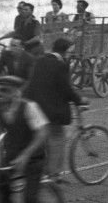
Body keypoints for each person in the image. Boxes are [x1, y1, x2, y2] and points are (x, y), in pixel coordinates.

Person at [22, 36, 86, 180]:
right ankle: (53, 174)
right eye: (70, 52)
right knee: (57, 138)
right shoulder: (61, 65)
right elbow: (67, 89)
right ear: (64, 51)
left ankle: (41, 169)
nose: (70, 55)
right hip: (49, 109)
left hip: (33, 107)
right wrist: (80, 99)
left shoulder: (40, 60)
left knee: (42, 138)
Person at [0, 1, 44, 81]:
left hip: (33, 48)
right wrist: (0, 38)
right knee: (6, 54)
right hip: (22, 47)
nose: (23, 11)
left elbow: (37, 37)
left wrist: (26, 43)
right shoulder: (21, 22)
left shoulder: (35, 23)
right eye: (23, 9)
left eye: (26, 10)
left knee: (24, 63)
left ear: (31, 11)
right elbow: (14, 33)